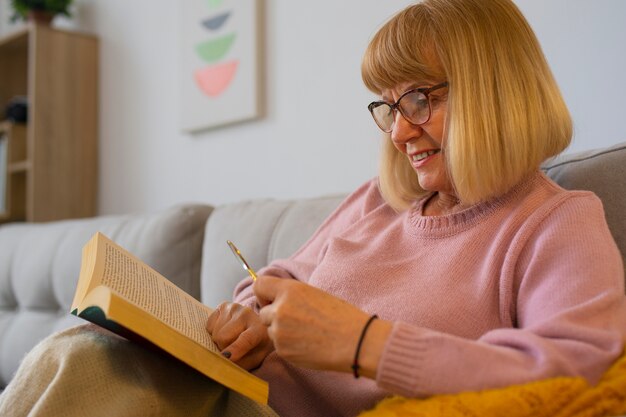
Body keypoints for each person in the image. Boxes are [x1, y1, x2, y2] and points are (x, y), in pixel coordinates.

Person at [1, 0, 625, 416]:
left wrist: (365, 343)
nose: (399, 133)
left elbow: (577, 373)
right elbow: (284, 278)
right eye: (386, 107)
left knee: (84, 363)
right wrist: (248, 315)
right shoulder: (380, 202)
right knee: (82, 350)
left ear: (496, 90)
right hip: (225, 392)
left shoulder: (555, 223)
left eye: (418, 99)